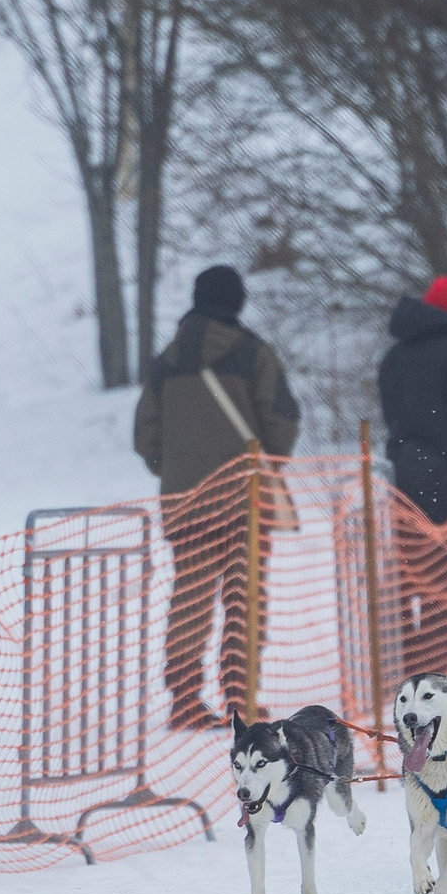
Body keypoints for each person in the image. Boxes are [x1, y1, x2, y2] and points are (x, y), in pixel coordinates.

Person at [135, 265, 301, 728]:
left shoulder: (166, 360)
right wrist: (271, 460)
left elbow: (145, 434)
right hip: (243, 497)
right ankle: (239, 698)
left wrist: (174, 470)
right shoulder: (254, 354)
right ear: (237, 303)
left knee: (189, 598)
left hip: (185, 500)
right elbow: (282, 420)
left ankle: (185, 701)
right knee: (244, 597)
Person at [376, 274, 447, 682]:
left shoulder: (393, 357)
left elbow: (395, 415)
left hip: (401, 478)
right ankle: (433, 676)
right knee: (441, 586)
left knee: (408, 580)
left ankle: (409, 671)